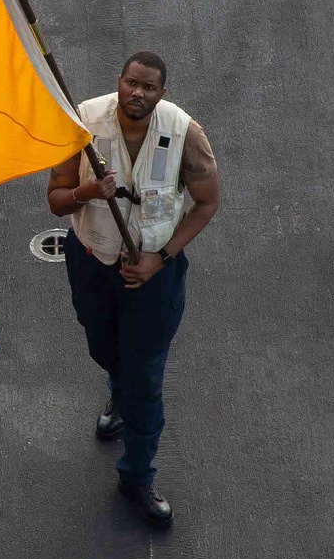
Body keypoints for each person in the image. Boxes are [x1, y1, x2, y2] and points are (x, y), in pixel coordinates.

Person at [47, 53, 220, 528]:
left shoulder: (185, 132)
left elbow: (207, 203)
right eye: (130, 83)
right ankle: (118, 392)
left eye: (148, 87)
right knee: (104, 349)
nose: (137, 93)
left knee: (145, 377)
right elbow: (56, 199)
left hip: (153, 277)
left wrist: (158, 260)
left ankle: (137, 473)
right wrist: (87, 194)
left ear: (162, 93)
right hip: (91, 266)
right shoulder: (82, 121)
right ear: (118, 83)